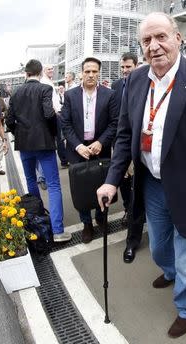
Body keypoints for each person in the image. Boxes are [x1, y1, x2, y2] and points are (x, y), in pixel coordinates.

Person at [97, 12, 186, 338]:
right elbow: (124, 135)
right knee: (160, 248)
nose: (154, 46)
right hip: (153, 185)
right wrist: (111, 180)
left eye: (161, 36)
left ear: (178, 38)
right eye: (146, 40)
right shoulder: (135, 80)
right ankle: (171, 271)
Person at [6, 59, 71, 243]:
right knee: (53, 185)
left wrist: (19, 132)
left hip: (24, 144)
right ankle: (58, 230)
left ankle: (39, 220)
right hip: (44, 142)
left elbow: (9, 120)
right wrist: (51, 133)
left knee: (31, 181)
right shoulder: (45, 89)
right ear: (41, 73)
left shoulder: (16, 93)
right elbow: (49, 114)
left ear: (26, 74)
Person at [61, 57, 119, 244]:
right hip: (78, 148)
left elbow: (114, 123)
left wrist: (101, 142)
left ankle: (101, 218)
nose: (91, 75)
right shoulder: (70, 95)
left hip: (99, 148)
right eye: (87, 71)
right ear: (81, 73)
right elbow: (66, 123)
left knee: (101, 183)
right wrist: (78, 146)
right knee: (81, 188)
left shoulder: (109, 95)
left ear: (99, 73)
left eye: (94, 71)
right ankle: (86, 224)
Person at [111, 52, 145, 263]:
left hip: (141, 147)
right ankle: (128, 211)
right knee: (124, 185)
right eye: (122, 68)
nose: (125, 71)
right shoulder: (116, 87)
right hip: (121, 146)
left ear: (137, 65)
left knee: (136, 194)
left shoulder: (145, 83)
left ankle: (132, 241)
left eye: (128, 67)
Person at [41, 64, 69, 169]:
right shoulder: (44, 82)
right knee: (59, 137)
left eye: (52, 69)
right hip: (54, 113)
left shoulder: (49, 81)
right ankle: (63, 160)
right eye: (49, 69)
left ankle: (63, 160)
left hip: (56, 112)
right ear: (44, 71)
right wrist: (56, 111)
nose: (51, 70)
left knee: (59, 137)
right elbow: (48, 100)